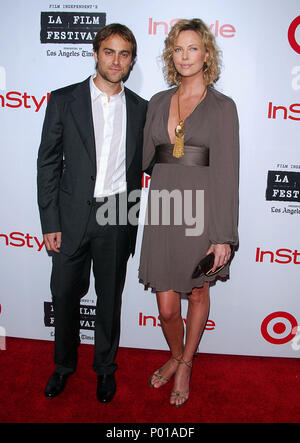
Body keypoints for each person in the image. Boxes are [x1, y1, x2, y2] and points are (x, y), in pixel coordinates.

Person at [37, 23, 147, 403]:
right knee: (65, 295)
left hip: (118, 214)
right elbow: (47, 164)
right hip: (69, 217)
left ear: (132, 60)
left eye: (124, 54)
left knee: (109, 300)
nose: (116, 60)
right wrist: (50, 221)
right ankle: (63, 366)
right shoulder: (63, 100)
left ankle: (105, 369)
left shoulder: (141, 108)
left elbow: (153, 162)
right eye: (109, 52)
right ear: (96, 53)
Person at [139, 18, 239, 407]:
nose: (185, 56)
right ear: (171, 54)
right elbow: (147, 158)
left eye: (192, 48)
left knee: (197, 293)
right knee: (166, 309)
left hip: (203, 211)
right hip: (164, 207)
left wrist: (222, 235)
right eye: (178, 49)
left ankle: (184, 363)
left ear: (206, 53)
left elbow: (228, 172)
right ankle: (176, 352)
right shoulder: (158, 101)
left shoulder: (223, 107)